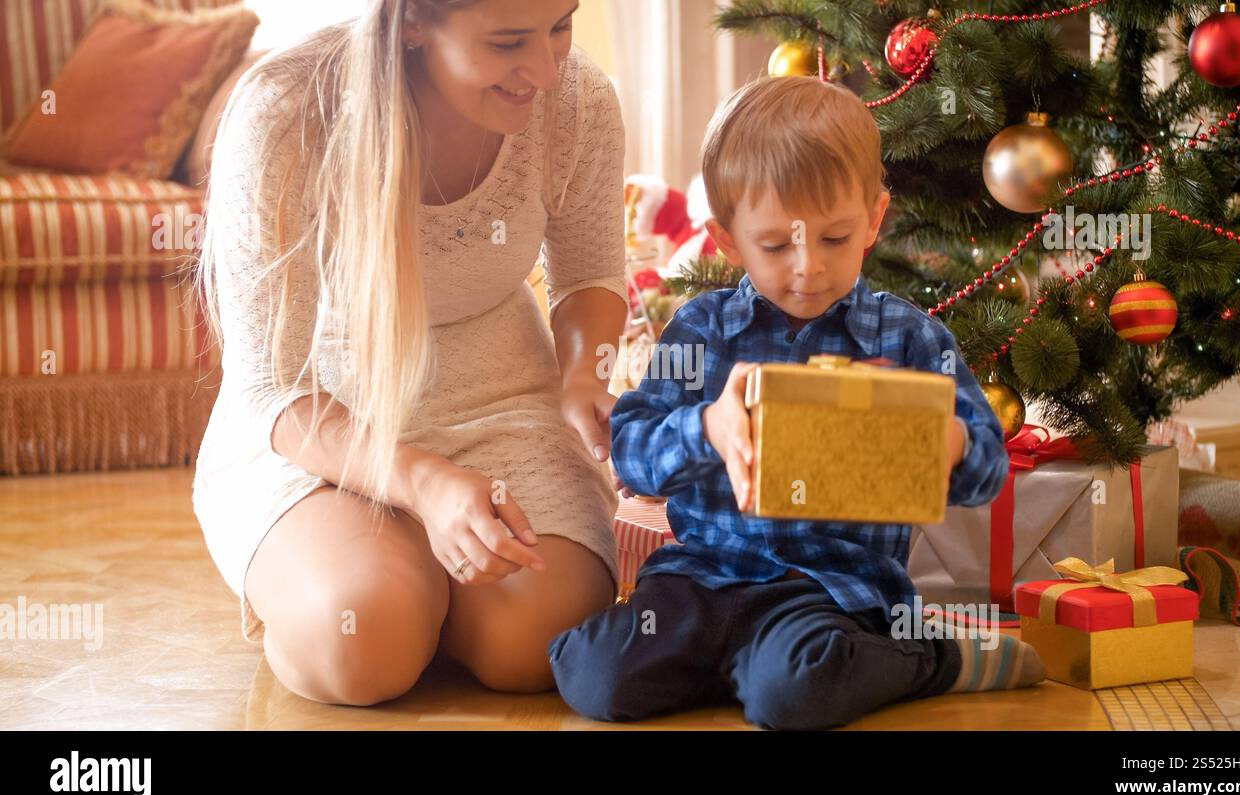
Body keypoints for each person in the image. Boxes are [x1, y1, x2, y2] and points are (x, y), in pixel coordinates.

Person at [548, 74, 1046, 730]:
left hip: (830, 590)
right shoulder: (701, 328)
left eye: (835, 238)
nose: (808, 265)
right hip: (702, 578)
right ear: (728, 240)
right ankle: (740, 663)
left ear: (873, 219)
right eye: (777, 244)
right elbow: (632, 451)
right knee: (591, 671)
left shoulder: (911, 336)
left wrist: (947, 439)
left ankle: (938, 656)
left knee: (794, 693)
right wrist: (708, 429)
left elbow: (988, 468)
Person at [192, 0, 628, 706]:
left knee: (535, 645)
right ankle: (384, 581)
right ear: (415, 22)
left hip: (505, 403)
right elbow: (270, 387)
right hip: (324, 426)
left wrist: (583, 375)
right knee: (361, 640)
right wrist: (422, 486)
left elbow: (588, 275)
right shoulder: (283, 115)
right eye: (511, 40)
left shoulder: (577, 100)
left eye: (562, 24)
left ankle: (423, 588)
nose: (548, 71)